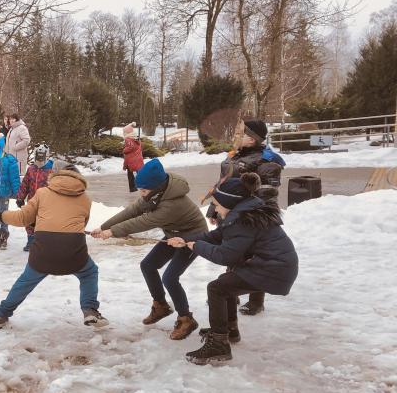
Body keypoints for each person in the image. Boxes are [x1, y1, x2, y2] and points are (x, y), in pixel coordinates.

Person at [167, 173, 298, 365]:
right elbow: (217, 236)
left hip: (274, 269)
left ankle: (219, 344)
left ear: (229, 203)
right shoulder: (242, 213)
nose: (215, 209)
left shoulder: (242, 220)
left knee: (217, 288)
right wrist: (187, 240)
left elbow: (225, 256)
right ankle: (229, 330)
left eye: (217, 205)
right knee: (225, 283)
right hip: (272, 265)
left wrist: (195, 247)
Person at [90, 159, 207, 339]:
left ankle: (186, 319)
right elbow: (132, 211)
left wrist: (112, 232)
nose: (141, 194)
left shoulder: (172, 204)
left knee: (170, 277)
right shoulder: (155, 194)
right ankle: (160, 306)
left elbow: (143, 221)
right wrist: (104, 226)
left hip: (193, 237)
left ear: (157, 187)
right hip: (172, 234)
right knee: (148, 265)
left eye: (143, 190)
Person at [0, 161, 108, 329]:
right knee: (89, 272)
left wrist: (3, 216)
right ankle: (90, 309)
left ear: (56, 176)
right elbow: (82, 224)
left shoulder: (42, 193)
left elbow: (23, 218)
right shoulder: (85, 199)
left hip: (44, 250)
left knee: (25, 282)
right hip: (73, 251)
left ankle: (1, 315)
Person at [207, 119, 285, 317]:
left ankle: (256, 300)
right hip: (230, 213)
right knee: (233, 251)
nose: (235, 136)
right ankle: (229, 290)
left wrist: (247, 215)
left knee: (252, 256)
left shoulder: (266, 161)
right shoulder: (233, 157)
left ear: (252, 139)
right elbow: (222, 185)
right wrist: (213, 209)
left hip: (252, 217)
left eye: (240, 133)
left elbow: (267, 193)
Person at [16, 142, 53, 252]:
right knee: (30, 220)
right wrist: (20, 197)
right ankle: (31, 240)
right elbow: (25, 184)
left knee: (44, 222)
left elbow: (57, 186)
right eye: (38, 156)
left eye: (42, 156)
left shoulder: (51, 170)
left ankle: (44, 242)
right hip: (32, 201)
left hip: (46, 202)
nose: (40, 159)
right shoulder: (31, 169)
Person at [122, 123, 144, 193]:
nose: (123, 133)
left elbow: (131, 147)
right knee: (140, 173)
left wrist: (124, 150)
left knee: (130, 174)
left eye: (124, 132)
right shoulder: (136, 138)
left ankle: (132, 188)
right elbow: (137, 147)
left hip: (131, 160)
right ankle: (145, 185)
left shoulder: (128, 139)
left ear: (127, 132)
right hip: (138, 158)